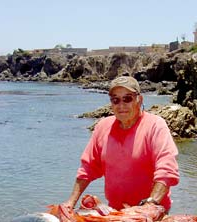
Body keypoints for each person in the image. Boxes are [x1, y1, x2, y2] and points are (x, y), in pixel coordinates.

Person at [64, 76, 179, 211]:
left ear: (139, 99)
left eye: (127, 98)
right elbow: (88, 168)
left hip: (151, 210)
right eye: (115, 100)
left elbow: (167, 170)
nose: (121, 105)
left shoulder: (156, 126)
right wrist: (70, 203)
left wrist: (150, 204)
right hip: (115, 211)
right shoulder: (103, 126)